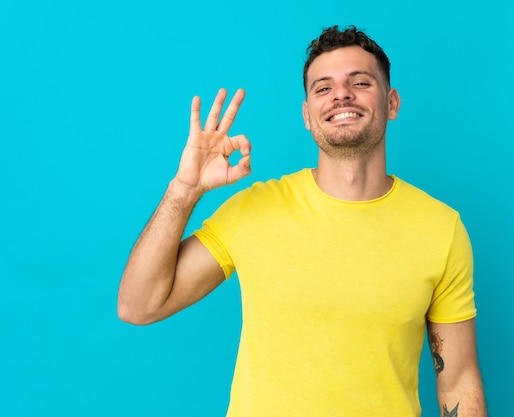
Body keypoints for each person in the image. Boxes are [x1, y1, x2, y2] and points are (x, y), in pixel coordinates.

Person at [118, 25, 488, 417]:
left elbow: (458, 377)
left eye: (359, 82)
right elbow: (138, 306)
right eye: (323, 88)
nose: (341, 94)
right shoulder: (254, 210)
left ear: (392, 103)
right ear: (307, 115)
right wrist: (184, 189)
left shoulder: (440, 228)